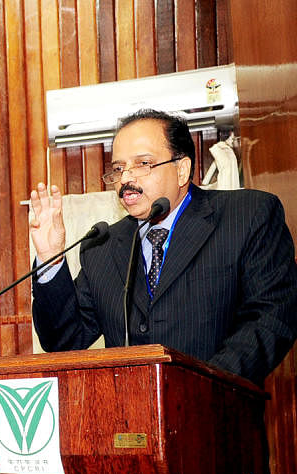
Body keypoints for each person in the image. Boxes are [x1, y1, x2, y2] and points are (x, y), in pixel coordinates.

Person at [29, 108, 297, 387]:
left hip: (217, 415)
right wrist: (50, 258)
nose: (125, 179)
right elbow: (63, 340)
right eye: (119, 168)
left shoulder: (247, 216)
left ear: (182, 169)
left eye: (143, 164)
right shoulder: (103, 246)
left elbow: (271, 319)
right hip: (129, 423)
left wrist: (203, 385)